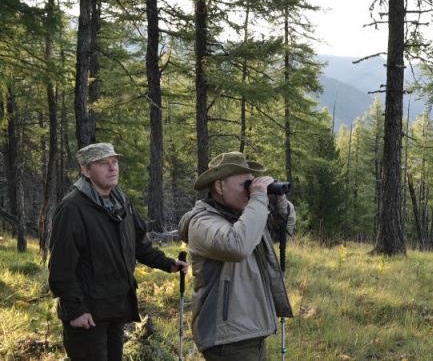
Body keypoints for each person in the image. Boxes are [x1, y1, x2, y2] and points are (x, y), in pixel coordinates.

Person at [48, 142, 189, 361]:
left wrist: (167, 263)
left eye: (114, 162)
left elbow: (139, 244)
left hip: (116, 307)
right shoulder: (72, 208)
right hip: (87, 315)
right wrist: (75, 310)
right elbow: (60, 267)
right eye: (103, 164)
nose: (112, 168)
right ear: (86, 171)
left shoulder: (121, 201)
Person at [179, 151, 294, 361]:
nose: (251, 191)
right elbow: (236, 246)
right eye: (245, 185)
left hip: (252, 329)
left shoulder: (244, 216)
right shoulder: (201, 222)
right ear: (219, 186)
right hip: (227, 337)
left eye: (253, 184)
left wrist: (278, 202)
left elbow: (282, 231)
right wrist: (258, 198)